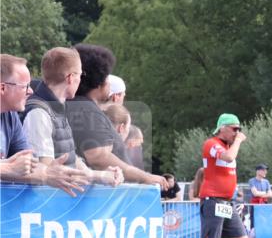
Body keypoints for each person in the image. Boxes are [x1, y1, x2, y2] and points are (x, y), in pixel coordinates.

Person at [66, 44, 167, 189]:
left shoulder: (81, 108)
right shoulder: (86, 110)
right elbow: (99, 157)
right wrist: (144, 177)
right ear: (100, 82)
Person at [22, 47, 122, 187]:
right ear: (70, 78)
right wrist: (98, 175)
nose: (80, 80)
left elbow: (68, 157)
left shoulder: (55, 107)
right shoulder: (39, 113)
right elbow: (48, 171)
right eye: (80, 75)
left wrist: (99, 175)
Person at [1, 53, 90, 195]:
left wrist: (47, 173)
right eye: (24, 86)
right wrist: (8, 168)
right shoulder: (38, 111)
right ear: (3, 88)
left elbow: (29, 164)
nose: (30, 91)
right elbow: (17, 168)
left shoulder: (10, 115)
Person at [194, 113, 253, 238]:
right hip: (212, 202)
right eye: (234, 129)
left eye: (239, 129)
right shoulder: (211, 143)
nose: (238, 132)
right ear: (222, 128)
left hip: (227, 204)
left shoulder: (229, 146)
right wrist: (237, 141)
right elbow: (228, 157)